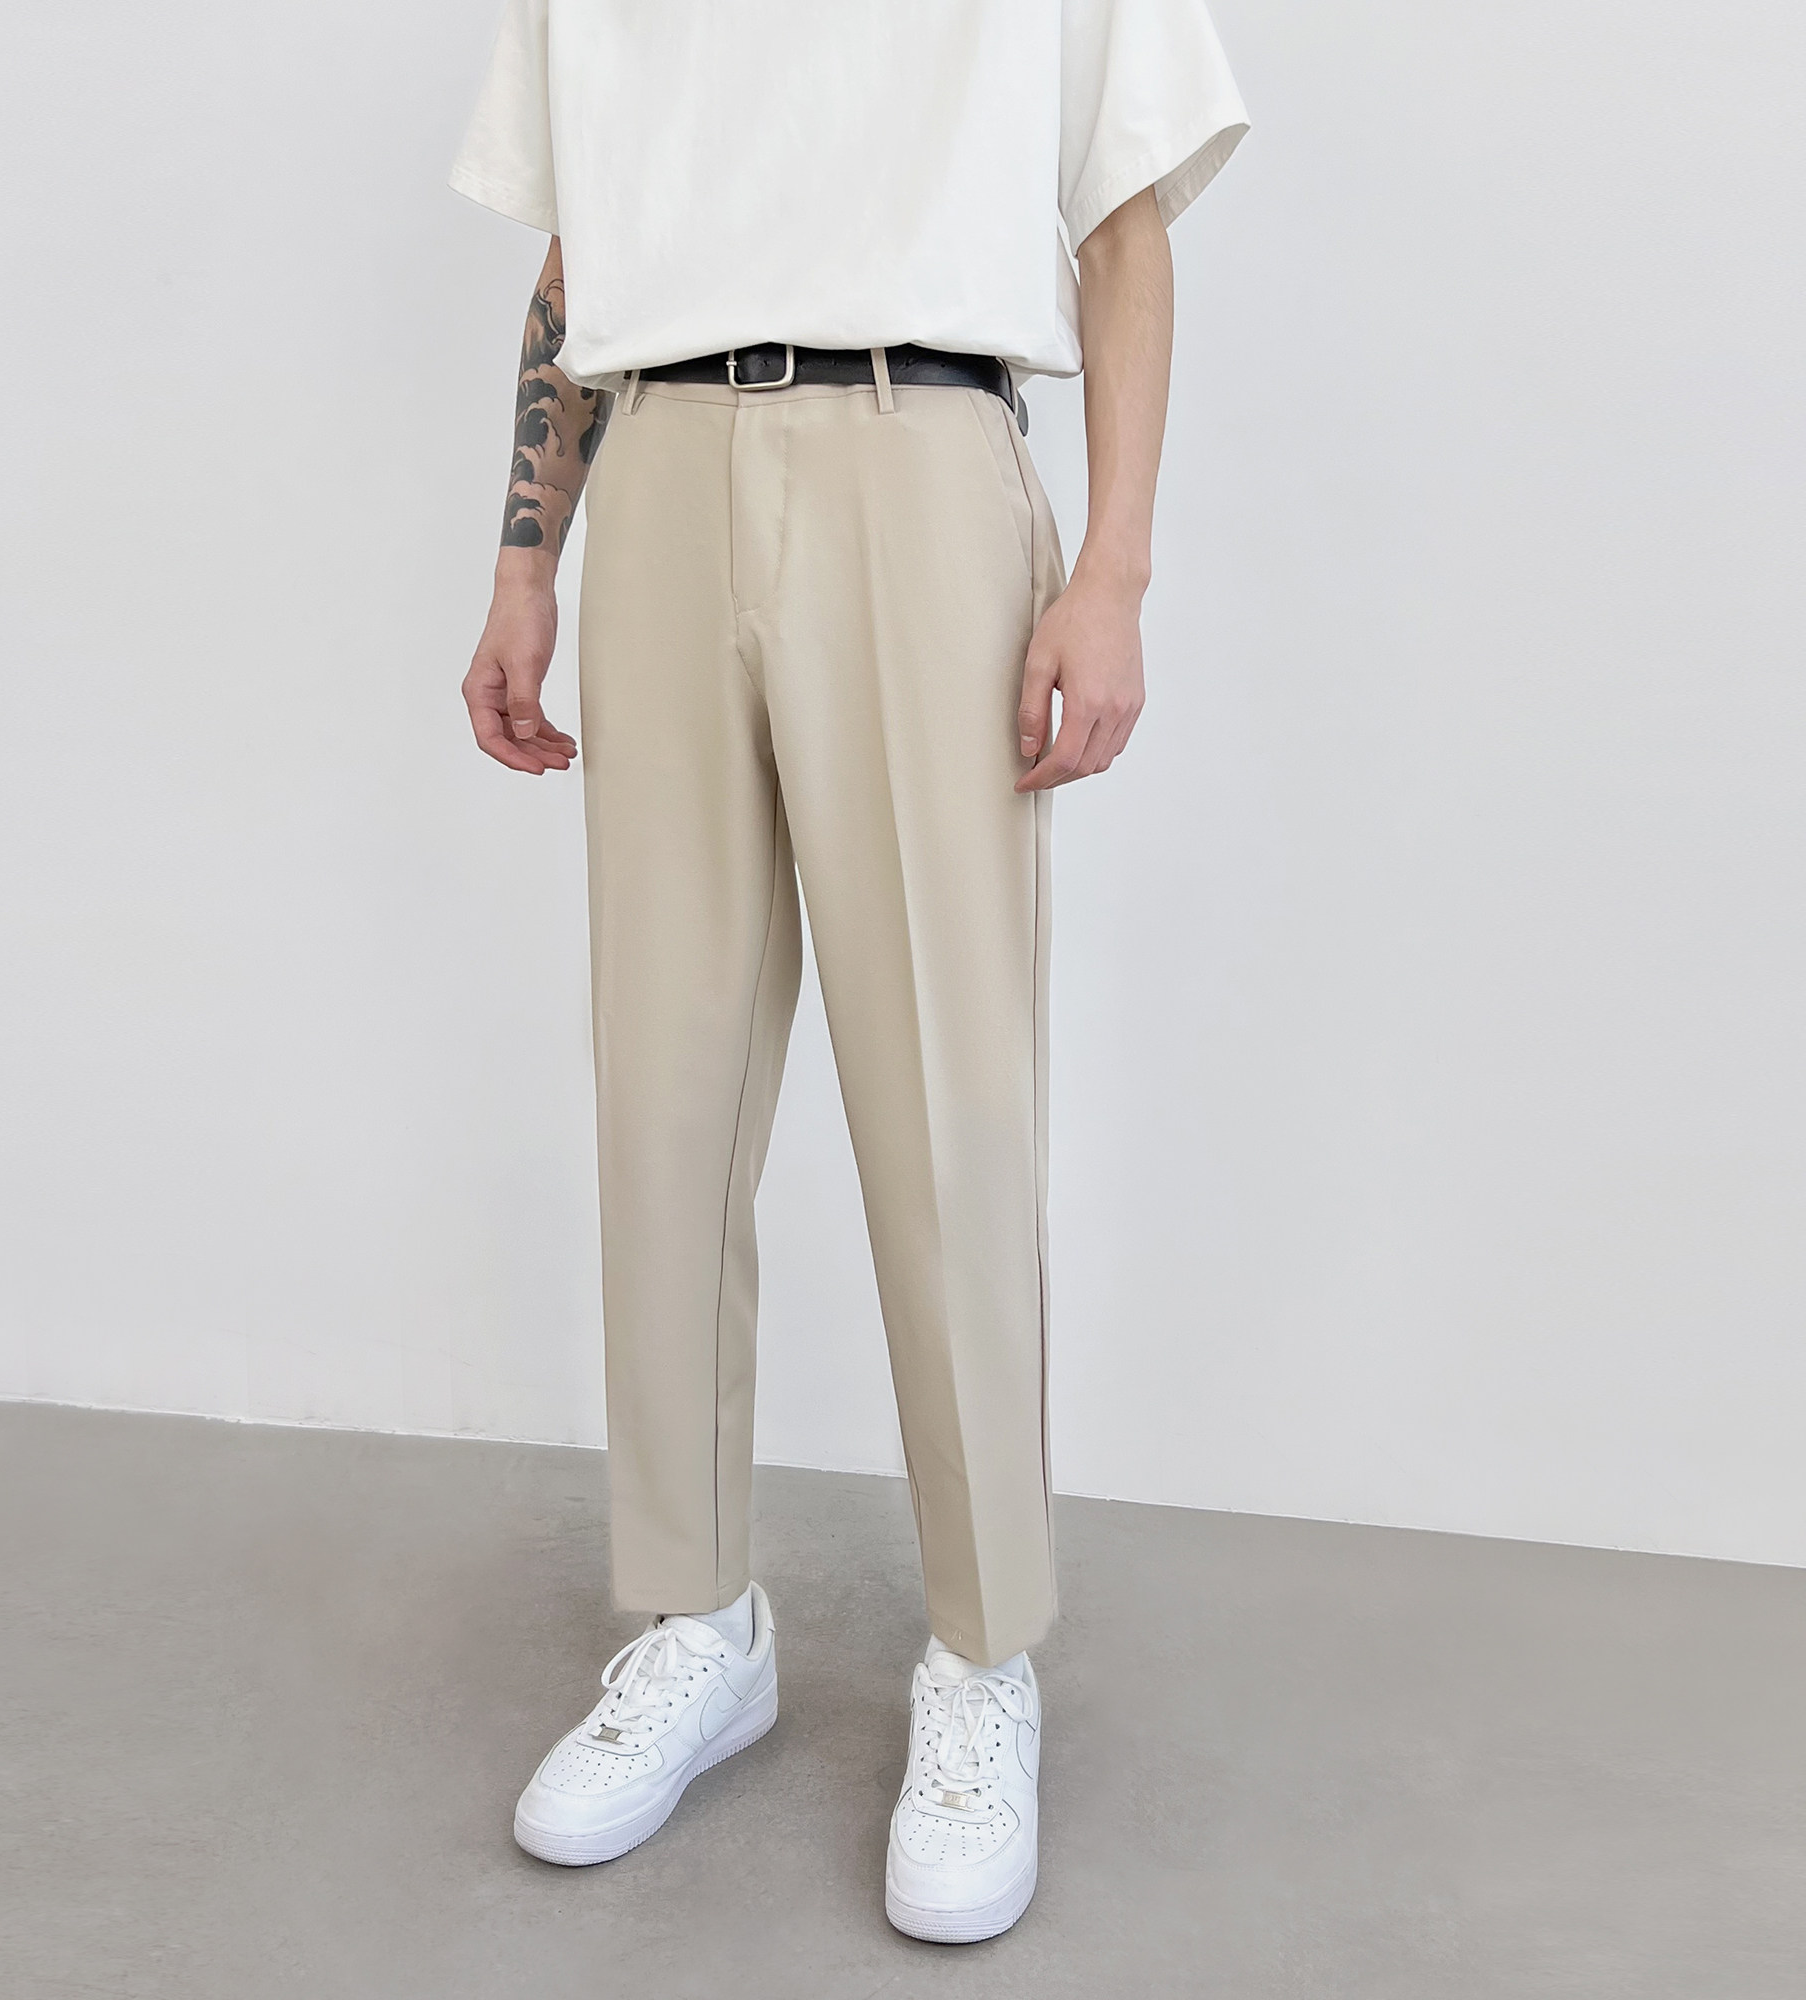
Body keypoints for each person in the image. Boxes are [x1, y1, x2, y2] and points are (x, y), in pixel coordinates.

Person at [450, 0, 1246, 1944]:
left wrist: (1115, 569)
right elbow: (575, 250)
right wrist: (526, 561)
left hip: (923, 450)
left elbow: (1124, 214)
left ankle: (982, 1652)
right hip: (660, 468)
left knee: (950, 1106)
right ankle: (696, 1617)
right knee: (662, 1094)